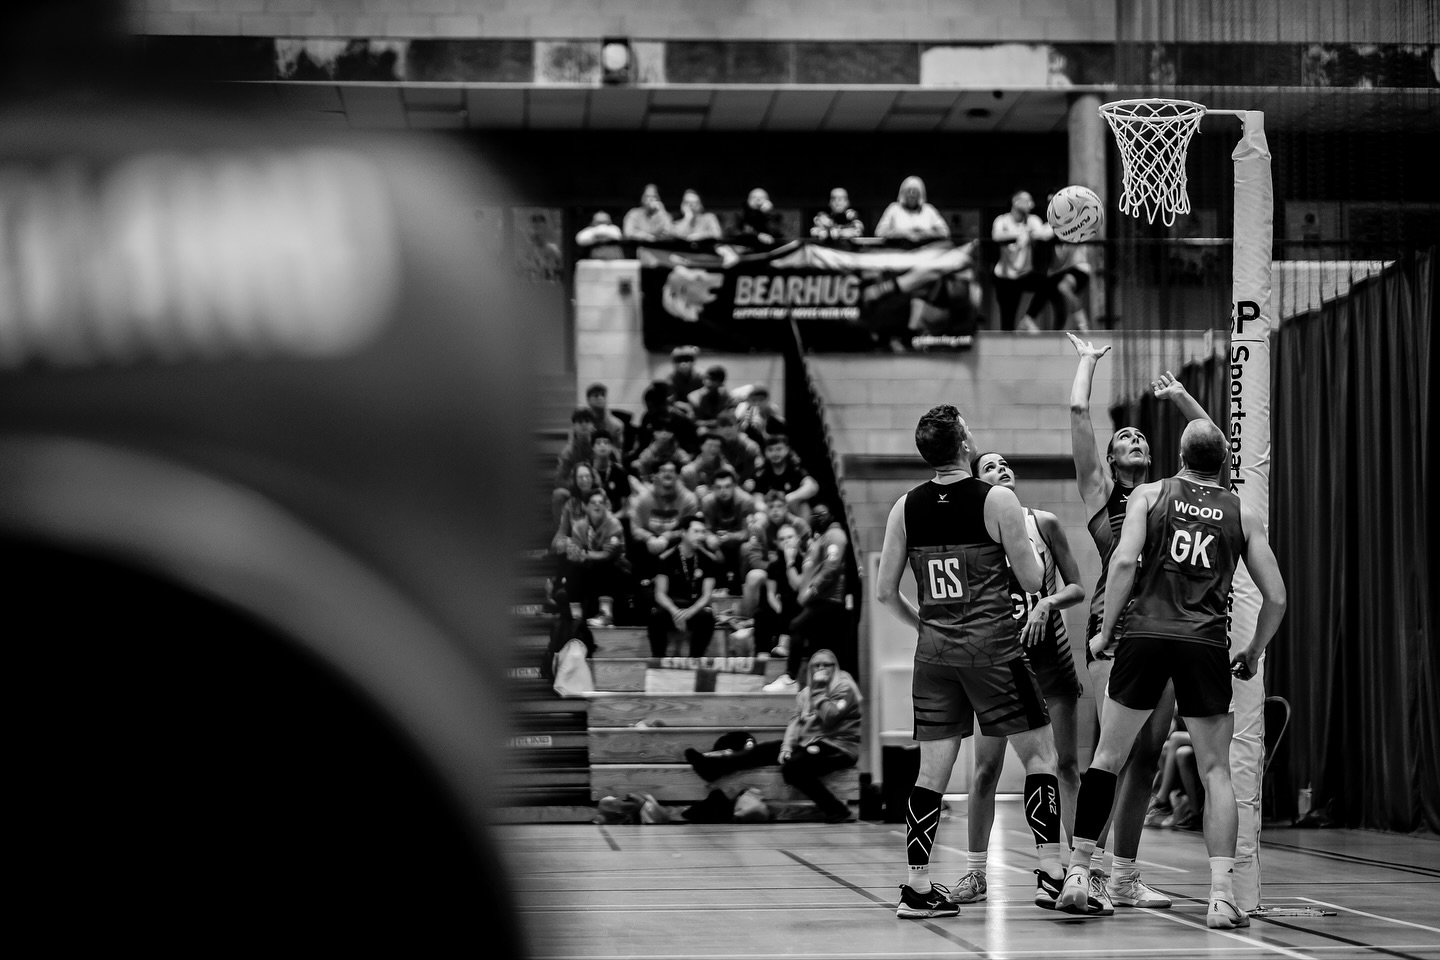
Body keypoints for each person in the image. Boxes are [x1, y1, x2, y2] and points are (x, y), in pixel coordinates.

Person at [1057, 419, 1287, 931]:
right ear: (1224, 463)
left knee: (1107, 758)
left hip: (1144, 635)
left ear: (1178, 455)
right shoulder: (1241, 511)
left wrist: (1102, 634)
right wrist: (1252, 651)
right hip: (1205, 642)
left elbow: (1122, 564)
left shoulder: (1151, 494)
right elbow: (1276, 596)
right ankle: (1223, 896)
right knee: (1215, 772)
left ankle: (1078, 872)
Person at [875, 404, 1060, 920]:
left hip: (934, 656)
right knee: (1041, 759)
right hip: (994, 651)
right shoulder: (997, 499)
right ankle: (1050, 874)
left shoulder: (903, 507)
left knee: (930, 774)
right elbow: (1030, 580)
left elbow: (885, 592)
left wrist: (927, 627)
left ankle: (916, 886)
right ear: (964, 445)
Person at [1068, 335, 1216, 911]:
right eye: (1122, 437)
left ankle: (1125, 875)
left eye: (1140, 437)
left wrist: (1181, 398)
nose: (1132, 438)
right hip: (1114, 632)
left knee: (1149, 756)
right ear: (1109, 461)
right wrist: (1087, 361)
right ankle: (1086, 872)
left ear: (1156, 459)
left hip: (1167, 632)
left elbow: (1212, 450)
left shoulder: (1172, 496)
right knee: (1109, 755)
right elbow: (1080, 414)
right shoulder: (1103, 497)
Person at [952, 451, 1087, 905]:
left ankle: (1081, 870)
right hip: (997, 661)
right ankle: (975, 873)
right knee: (986, 769)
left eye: (1004, 464)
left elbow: (1077, 586)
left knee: (1065, 765)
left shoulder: (1043, 521)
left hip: (1049, 655)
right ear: (977, 482)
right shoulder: (973, 529)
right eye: (988, 467)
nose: (1001, 469)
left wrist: (1048, 603)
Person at [684, 649, 861, 823]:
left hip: (839, 747)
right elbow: (795, 723)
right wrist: (786, 748)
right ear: (810, 669)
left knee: (793, 768)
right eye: (817, 665)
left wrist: (819, 691)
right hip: (810, 744)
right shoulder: (805, 694)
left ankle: (836, 809)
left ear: (835, 667)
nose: (821, 669)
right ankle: (712, 768)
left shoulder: (844, 687)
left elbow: (830, 717)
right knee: (765, 750)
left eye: (827, 665)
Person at [766, 502, 850, 692]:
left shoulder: (835, 535)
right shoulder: (818, 541)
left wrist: (812, 589)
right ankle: (818, 687)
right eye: (814, 515)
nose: (817, 518)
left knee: (796, 626)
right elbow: (801, 581)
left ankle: (790, 677)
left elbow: (832, 567)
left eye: (821, 514)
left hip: (829, 600)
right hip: (815, 600)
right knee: (815, 645)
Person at [554, 488, 630, 628]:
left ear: (605, 505)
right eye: (593, 502)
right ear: (586, 506)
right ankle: (576, 617)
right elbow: (574, 555)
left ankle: (606, 615)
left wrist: (582, 554)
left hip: (616, 569)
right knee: (573, 568)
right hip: (590, 569)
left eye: (600, 502)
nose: (597, 505)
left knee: (604, 565)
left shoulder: (614, 525)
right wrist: (574, 553)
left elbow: (607, 554)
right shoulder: (579, 526)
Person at [648, 514, 721, 658]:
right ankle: (658, 660)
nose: (700, 536)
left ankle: (695, 659)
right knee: (656, 616)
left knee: (707, 617)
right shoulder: (666, 558)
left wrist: (690, 612)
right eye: (696, 531)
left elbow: (707, 595)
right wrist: (675, 611)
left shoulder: (709, 560)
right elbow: (660, 593)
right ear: (683, 532)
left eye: (703, 532)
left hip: (695, 607)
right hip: (672, 606)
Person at [991, 190, 1051, 332]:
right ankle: (1007, 351)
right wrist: (1022, 233)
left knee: (1046, 284)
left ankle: (1028, 319)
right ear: (1016, 202)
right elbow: (997, 236)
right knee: (1007, 320)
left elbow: (1043, 234)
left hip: (1024, 275)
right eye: (1027, 200)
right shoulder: (1002, 220)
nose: (1032, 204)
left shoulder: (1033, 220)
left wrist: (1061, 223)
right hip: (1004, 277)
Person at [698, 468, 758, 594]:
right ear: (713, 488)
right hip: (717, 544)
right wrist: (710, 538)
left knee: (747, 548)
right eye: (718, 487)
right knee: (702, 543)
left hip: (738, 544)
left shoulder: (746, 500)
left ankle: (743, 586)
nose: (723, 491)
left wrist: (730, 537)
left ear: (735, 486)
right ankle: (710, 588)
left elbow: (748, 533)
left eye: (727, 486)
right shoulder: (707, 502)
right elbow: (706, 529)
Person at [750, 434, 818, 515]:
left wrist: (789, 498)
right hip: (772, 513)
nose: (774, 453)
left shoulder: (795, 467)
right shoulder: (761, 473)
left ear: (787, 449)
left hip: (793, 510)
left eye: (779, 449)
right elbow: (757, 501)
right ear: (765, 452)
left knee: (804, 505)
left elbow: (812, 487)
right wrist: (774, 509)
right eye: (770, 450)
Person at [875, 176, 949, 246]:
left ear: (921, 194)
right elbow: (880, 232)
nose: (911, 194)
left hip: (926, 253)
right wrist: (904, 234)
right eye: (908, 191)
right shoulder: (894, 208)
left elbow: (944, 232)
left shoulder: (929, 210)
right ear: (902, 193)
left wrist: (923, 233)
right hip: (897, 253)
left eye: (915, 191)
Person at [631, 417, 692, 484]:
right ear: (653, 432)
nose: (664, 433)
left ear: (673, 433)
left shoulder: (679, 453)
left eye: (668, 430)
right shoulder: (646, 455)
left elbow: (688, 468)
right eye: (659, 429)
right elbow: (645, 479)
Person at [680, 432, 735, 498]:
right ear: (701, 446)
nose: (713, 449)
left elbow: (735, 495)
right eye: (710, 445)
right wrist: (694, 495)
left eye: (717, 446)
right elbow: (679, 496)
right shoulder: (688, 471)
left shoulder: (728, 470)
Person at [584, 382, 627, 447]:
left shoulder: (616, 425)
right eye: (596, 395)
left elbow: (617, 452)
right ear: (588, 400)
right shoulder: (581, 422)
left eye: (603, 395)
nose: (600, 398)